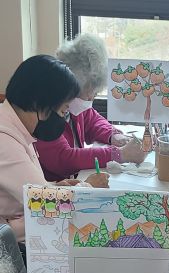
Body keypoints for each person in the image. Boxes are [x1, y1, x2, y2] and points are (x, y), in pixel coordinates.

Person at [0, 54, 110, 241]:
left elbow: (33, 190)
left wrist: (54, 186)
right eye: (63, 111)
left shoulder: (1, 118)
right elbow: (51, 205)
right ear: (38, 104)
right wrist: (89, 188)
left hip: (5, 223)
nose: (63, 119)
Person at [35, 33, 146, 182]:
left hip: (73, 183)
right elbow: (64, 158)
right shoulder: (44, 114)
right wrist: (119, 154)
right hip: (55, 189)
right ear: (71, 86)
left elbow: (92, 120)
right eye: (90, 92)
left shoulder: (74, 106)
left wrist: (113, 136)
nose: (92, 98)